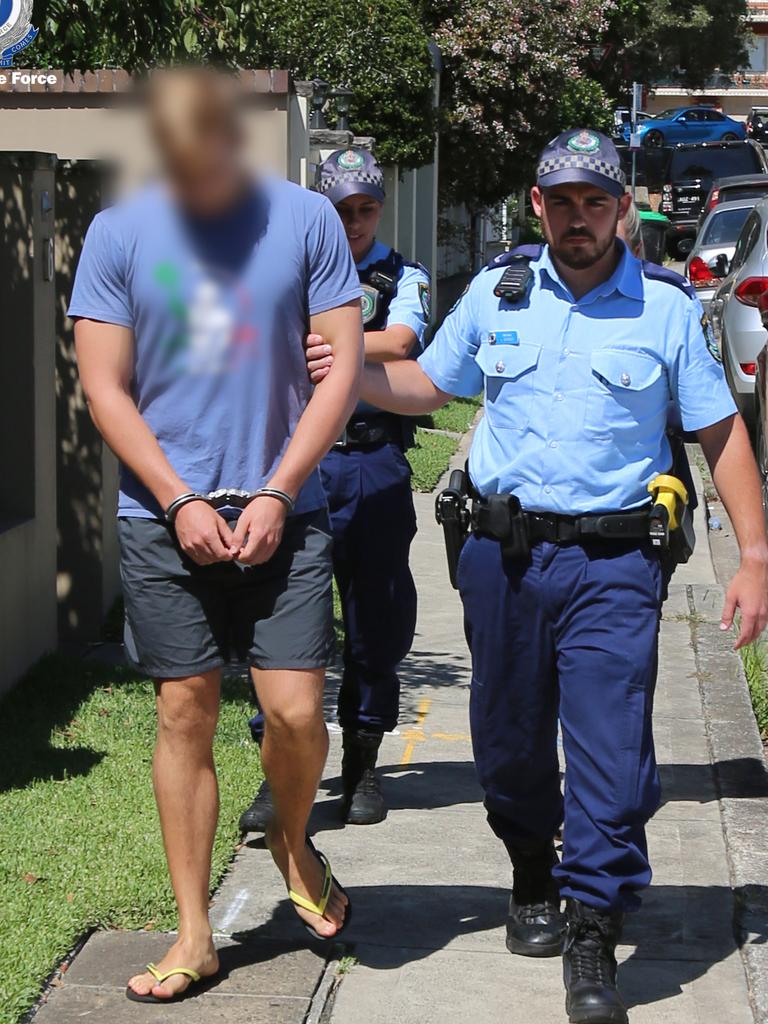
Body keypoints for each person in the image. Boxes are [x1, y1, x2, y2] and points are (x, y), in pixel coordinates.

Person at [307, 130, 768, 1023]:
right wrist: (349, 369)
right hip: (503, 558)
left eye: (597, 202)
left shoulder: (667, 311)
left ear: (623, 207)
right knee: (509, 743)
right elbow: (429, 387)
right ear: (538, 205)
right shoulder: (498, 293)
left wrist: (753, 554)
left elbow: (722, 435)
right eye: (563, 202)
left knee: (608, 743)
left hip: (618, 564)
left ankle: (593, 920)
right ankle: (529, 870)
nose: (580, 218)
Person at [69, 68, 364, 1003]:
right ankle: (195, 933)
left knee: (295, 713)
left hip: (287, 508)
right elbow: (105, 386)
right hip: (165, 517)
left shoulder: (306, 220)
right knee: (183, 714)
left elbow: (342, 367)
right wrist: (177, 499)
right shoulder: (120, 234)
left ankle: (289, 832)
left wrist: (280, 489)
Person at [240, 148, 430, 830]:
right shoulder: (283, 267)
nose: (352, 222)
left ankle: (363, 763)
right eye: (340, 209)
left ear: (379, 206)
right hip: (295, 464)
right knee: (282, 621)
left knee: (374, 620)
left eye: (365, 209)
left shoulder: (403, 274)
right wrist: (341, 338)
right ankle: (278, 776)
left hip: (371, 463)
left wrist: (332, 341)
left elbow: (404, 339)